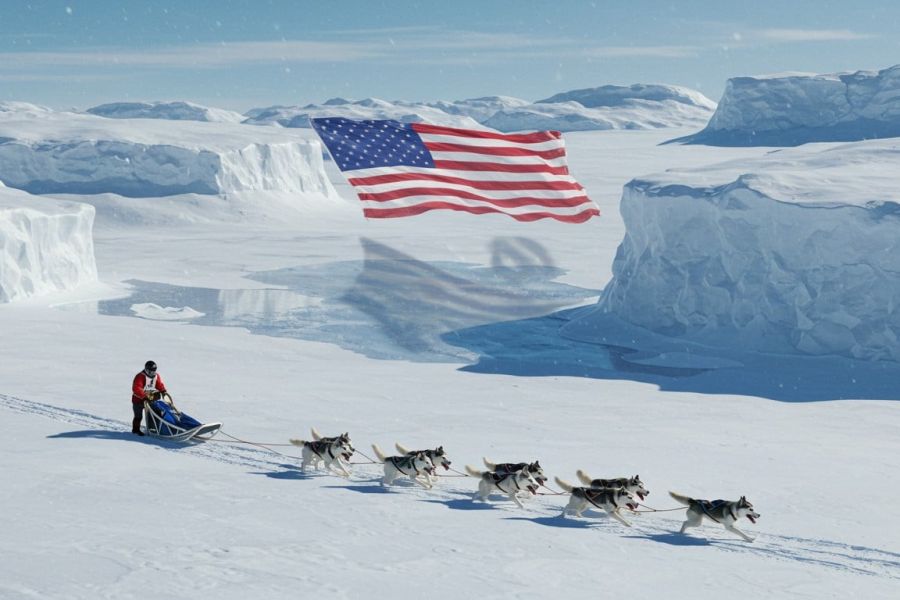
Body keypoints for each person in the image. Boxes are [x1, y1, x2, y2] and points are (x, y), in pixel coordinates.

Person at [131, 360, 167, 436]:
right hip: (138, 400)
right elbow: (136, 388)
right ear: (146, 370)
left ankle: (153, 428)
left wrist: (163, 391)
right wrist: (144, 396)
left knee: (155, 412)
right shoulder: (140, 376)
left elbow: (159, 384)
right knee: (138, 416)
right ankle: (135, 430)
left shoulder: (156, 376)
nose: (152, 373)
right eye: (151, 372)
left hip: (149, 398)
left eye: (154, 371)